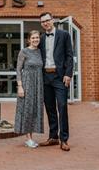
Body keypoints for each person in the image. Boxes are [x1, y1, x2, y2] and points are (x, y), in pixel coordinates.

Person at [38, 12, 73, 151]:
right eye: (42, 22)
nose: (45, 23)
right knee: (50, 107)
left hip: (60, 77)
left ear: (52, 20)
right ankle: (53, 137)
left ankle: (64, 139)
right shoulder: (41, 38)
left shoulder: (64, 35)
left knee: (62, 106)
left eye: (47, 20)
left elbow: (69, 56)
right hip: (46, 76)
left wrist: (68, 74)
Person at [14, 30, 44, 148]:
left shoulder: (41, 52)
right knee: (27, 109)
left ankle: (31, 137)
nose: (35, 40)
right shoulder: (24, 52)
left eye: (37, 38)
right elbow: (18, 70)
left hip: (38, 84)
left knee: (35, 110)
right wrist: (20, 86)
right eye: (33, 38)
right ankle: (28, 138)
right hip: (26, 83)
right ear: (29, 40)